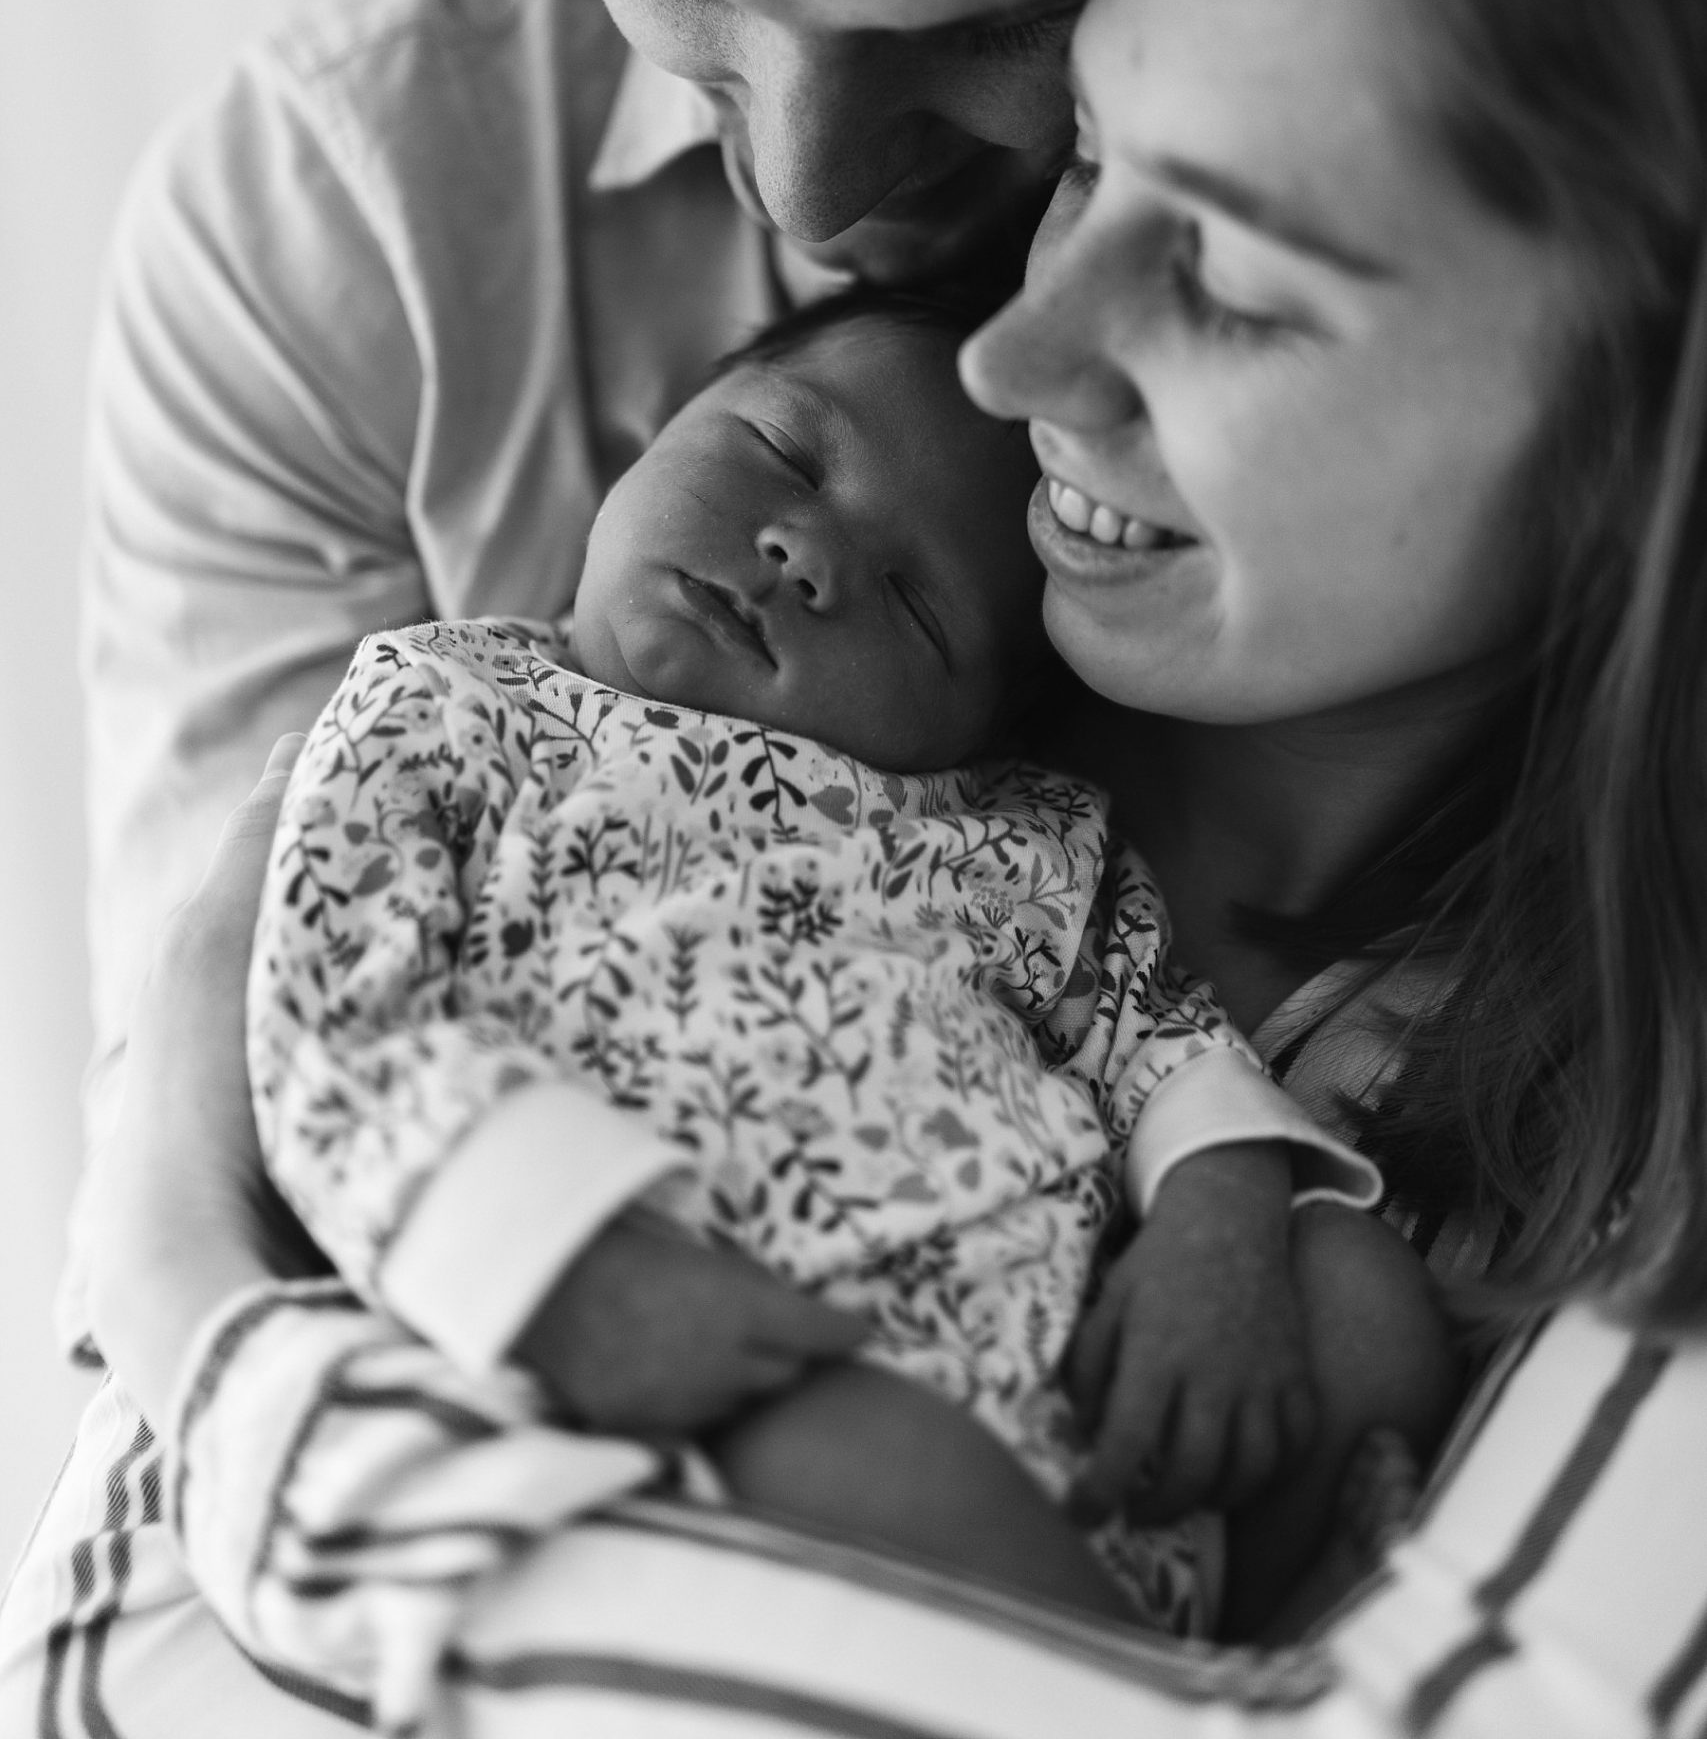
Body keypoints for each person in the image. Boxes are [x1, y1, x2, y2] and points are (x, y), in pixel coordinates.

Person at [13, 0, 1707, 1739]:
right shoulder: (652, 727)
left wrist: (190, 1300)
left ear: (1627, 454)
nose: (1006, 350)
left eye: (1234, 285)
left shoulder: (1570, 1116)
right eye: (1084, 148)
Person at [70, 0, 1458, 1368]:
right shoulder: (334, 255)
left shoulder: (1547, 247)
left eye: (976, 20)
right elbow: (220, 1228)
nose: (813, 175)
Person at [245, 288, 1428, 1648]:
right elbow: (335, 1010)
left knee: (1360, 1296)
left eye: (915, 607)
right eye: (784, 456)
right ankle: (1143, 1687)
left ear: (965, 729)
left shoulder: (1015, 836)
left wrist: (1215, 1242)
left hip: (1100, 1387)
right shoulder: (447, 700)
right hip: (750, 1347)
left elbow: (1160, 1039)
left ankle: (1248, 1601)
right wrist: (557, 1270)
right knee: (857, 1451)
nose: (807, 552)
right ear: (652, 431)